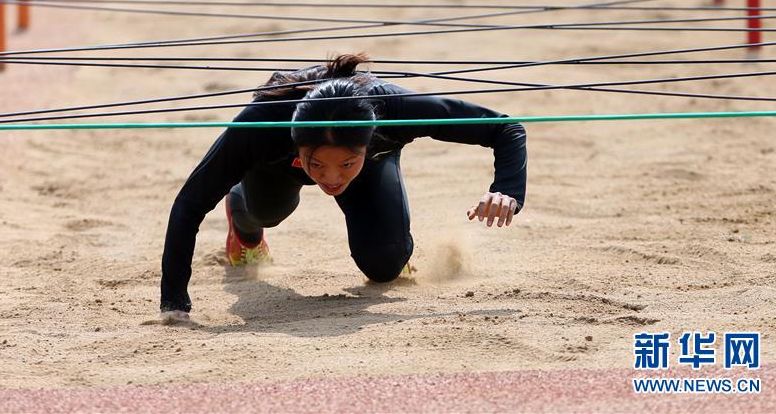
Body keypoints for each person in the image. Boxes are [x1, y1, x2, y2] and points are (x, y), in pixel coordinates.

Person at [160, 54, 527, 318]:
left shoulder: (395, 109)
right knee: (266, 213)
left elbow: (505, 128)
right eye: (316, 163)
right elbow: (190, 203)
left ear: (368, 140)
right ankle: (243, 223)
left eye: (344, 164)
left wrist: (506, 188)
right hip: (277, 169)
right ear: (296, 141)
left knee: (385, 265)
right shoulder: (260, 124)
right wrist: (174, 302)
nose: (331, 179)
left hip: (373, 166)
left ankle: (351, 171)